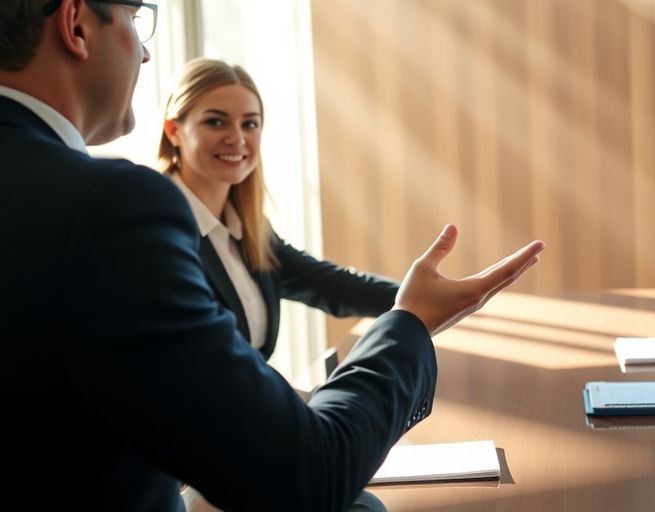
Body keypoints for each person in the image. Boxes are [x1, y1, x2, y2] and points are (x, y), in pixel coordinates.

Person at [0, 1, 544, 511]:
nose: (145, 52)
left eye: (251, 123)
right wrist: (411, 321)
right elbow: (305, 474)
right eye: (136, 16)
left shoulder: (240, 229)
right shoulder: (120, 209)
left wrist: (431, 300)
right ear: (75, 23)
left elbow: (330, 284)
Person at [159, 58, 398, 360]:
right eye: (215, 121)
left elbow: (332, 287)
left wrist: (419, 296)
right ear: (173, 131)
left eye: (250, 124)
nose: (237, 138)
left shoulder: (248, 228)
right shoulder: (159, 229)